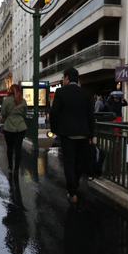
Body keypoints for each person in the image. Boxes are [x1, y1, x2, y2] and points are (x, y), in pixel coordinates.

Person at [50, 67, 94, 203]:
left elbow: (54, 112)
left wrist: (55, 129)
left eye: (63, 78)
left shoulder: (61, 92)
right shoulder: (86, 93)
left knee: (68, 162)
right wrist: (91, 135)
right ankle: (74, 187)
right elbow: (90, 116)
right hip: (83, 134)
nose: (63, 80)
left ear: (67, 78)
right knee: (78, 163)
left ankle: (73, 192)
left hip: (67, 134)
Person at [1, 83, 28, 173]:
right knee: (18, 149)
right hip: (20, 127)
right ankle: (17, 168)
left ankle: (10, 167)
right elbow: (25, 114)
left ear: (10, 91)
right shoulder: (23, 101)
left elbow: (3, 113)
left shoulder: (7, 100)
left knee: (9, 148)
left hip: (8, 127)